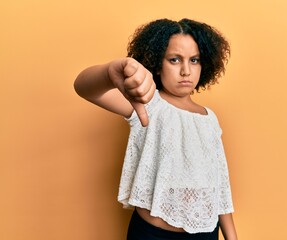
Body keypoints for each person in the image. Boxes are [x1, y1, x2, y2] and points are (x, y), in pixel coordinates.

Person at [74, 18, 237, 240]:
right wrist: (110, 71)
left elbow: (220, 185)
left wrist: (232, 236)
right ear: (157, 64)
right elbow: (85, 88)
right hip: (153, 235)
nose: (186, 70)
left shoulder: (209, 119)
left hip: (206, 233)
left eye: (195, 60)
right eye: (175, 59)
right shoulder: (147, 104)